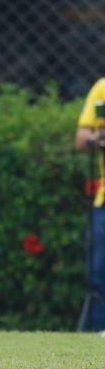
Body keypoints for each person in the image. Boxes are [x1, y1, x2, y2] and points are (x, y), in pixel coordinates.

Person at [75, 79, 105, 333]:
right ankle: (97, 333)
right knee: (99, 271)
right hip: (104, 199)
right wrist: (97, 137)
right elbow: (82, 139)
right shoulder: (102, 89)